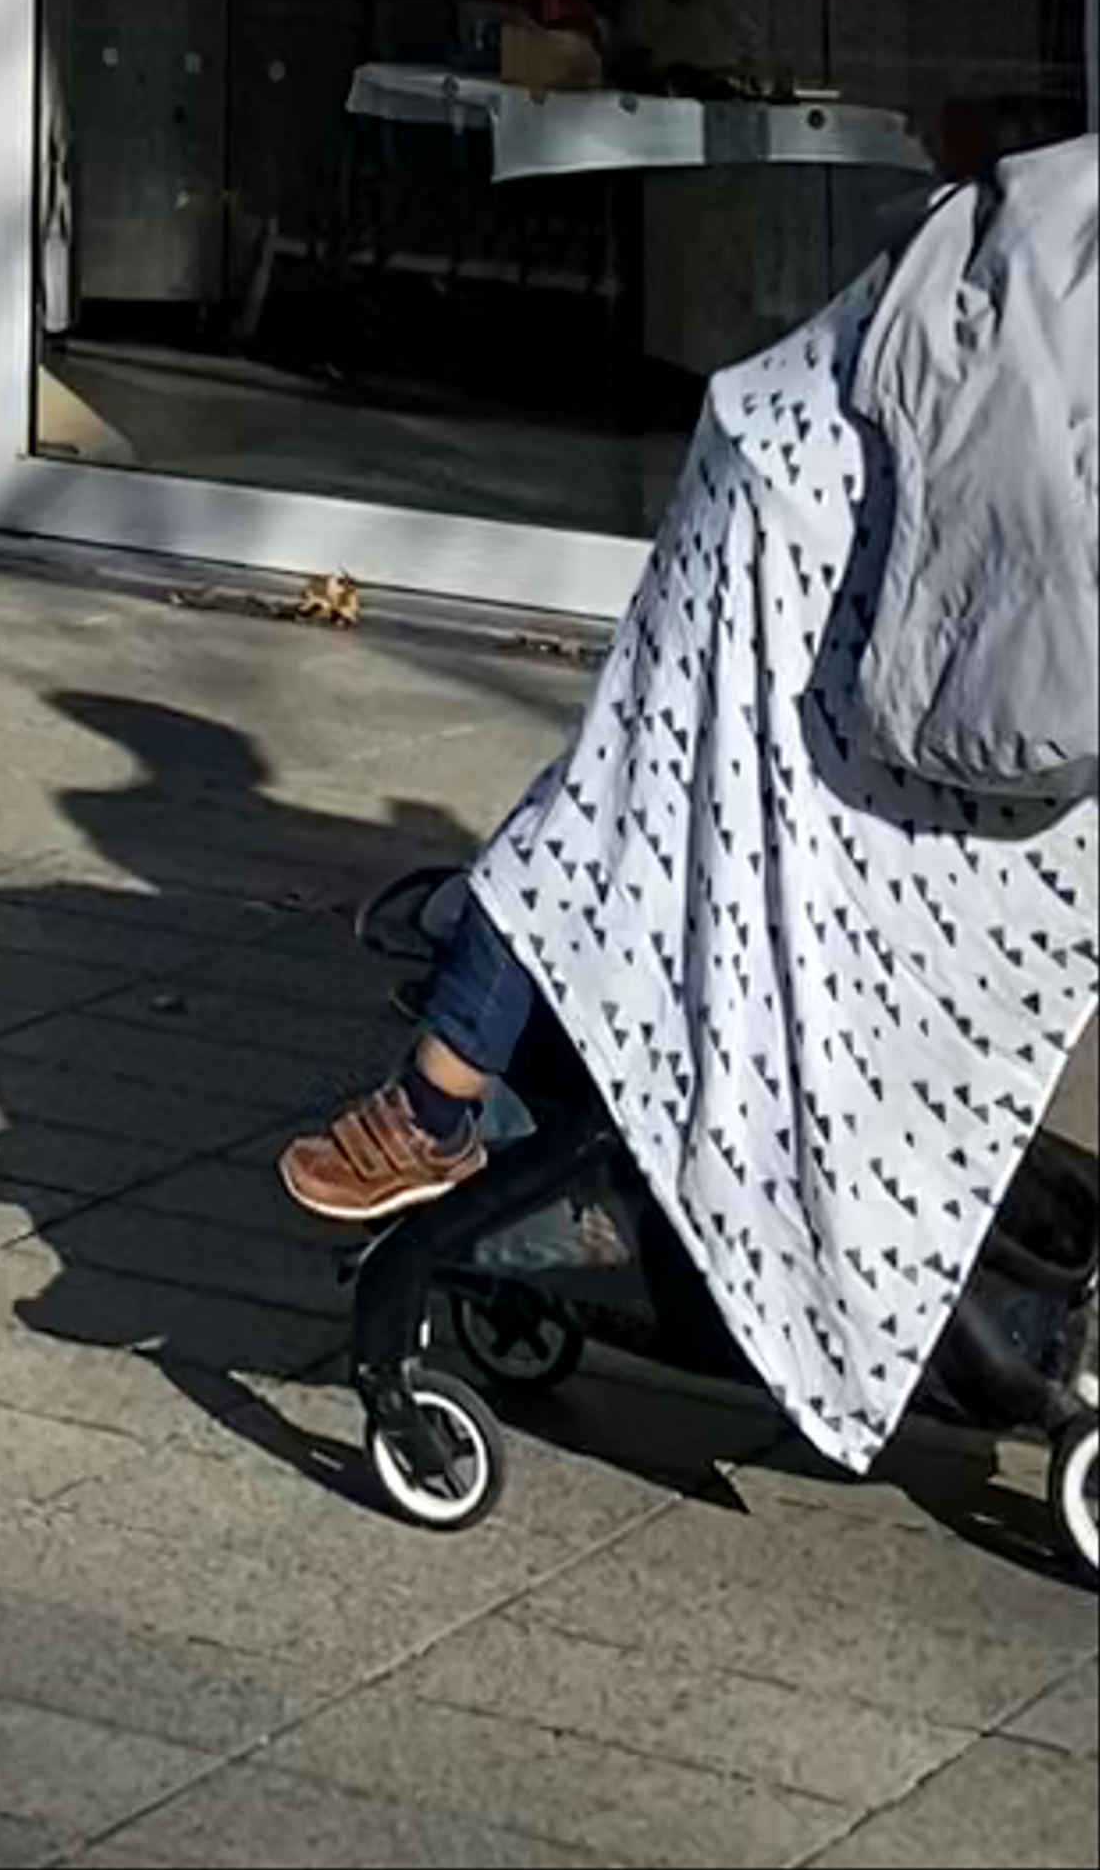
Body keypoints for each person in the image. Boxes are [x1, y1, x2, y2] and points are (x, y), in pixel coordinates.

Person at [279, 132, 1099, 1475]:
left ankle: (468, 1074)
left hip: (870, 524)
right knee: (616, 825)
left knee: (634, 832)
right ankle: (437, 1104)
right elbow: (1014, 571)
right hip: (814, 533)